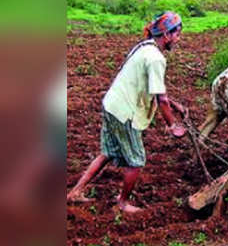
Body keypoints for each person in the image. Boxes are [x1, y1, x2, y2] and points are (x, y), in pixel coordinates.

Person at [67, 11, 187, 213]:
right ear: (166, 35)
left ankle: (75, 192)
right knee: (137, 161)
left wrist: (175, 106)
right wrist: (173, 126)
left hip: (112, 105)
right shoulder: (156, 59)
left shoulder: (144, 47)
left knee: (107, 153)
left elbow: (156, 90)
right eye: (177, 34)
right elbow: (161, 98)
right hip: (125, 113)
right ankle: (122, 203)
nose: (178, 39)